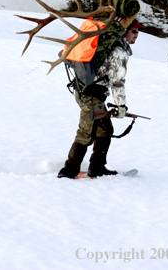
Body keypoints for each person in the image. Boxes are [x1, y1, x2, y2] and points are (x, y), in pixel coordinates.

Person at [57, 19, 143, 178]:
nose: (137, 35)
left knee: (105, 129)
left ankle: (97, 168)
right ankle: (68, 172)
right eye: (134, 31)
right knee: (86, 132)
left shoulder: (112, 44)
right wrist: (121, 106)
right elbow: (117, 82)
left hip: (88, 92)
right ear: (125, 31)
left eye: (138, 31)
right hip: (91, 95)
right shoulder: (119, 51)